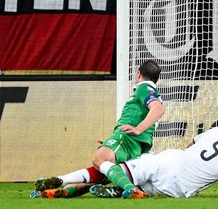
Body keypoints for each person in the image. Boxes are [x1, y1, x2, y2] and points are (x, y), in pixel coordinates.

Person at [31, 61, 165, 199]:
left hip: (128, 138)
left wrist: (138, 129)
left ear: (138, 74)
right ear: (157, 79)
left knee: (99, 160)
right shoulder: (151, 92)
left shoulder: (144, 88)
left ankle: (132, 190)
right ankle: (59, 184)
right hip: (133, 142)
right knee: (101, 172)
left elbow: (158, 110)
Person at [61, 116, 218, 199]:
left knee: (110, 170)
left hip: (168, 161)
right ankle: (117, 191)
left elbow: (190, 146)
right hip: (177, 187)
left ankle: (62, 181)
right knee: (140, 190)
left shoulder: (217, 131)